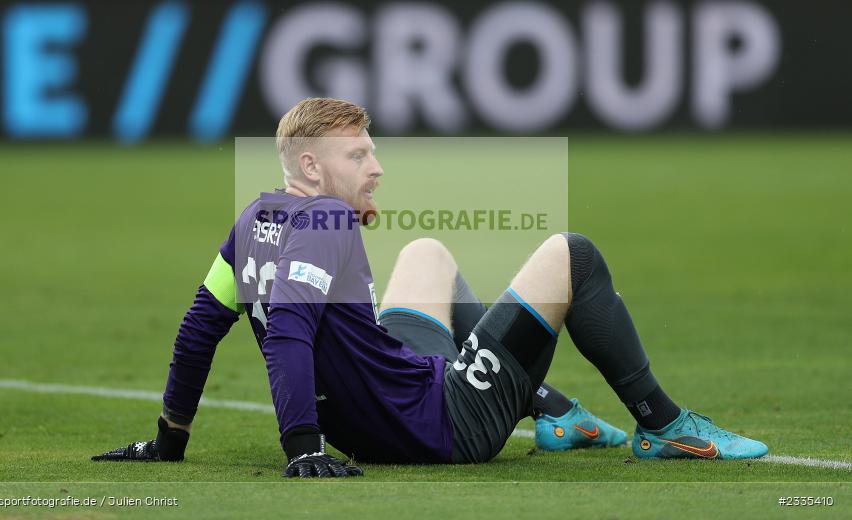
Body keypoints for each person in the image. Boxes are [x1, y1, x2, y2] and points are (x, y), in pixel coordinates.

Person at [92, 98, 767, 476]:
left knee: (426, 250)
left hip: (386, 405)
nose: (377, 167)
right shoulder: (327, 217)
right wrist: (302, 447)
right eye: (357, 155)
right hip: (441, 426)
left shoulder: (252, 222)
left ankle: (554, 411)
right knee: (575, 255)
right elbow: (291, 335)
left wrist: (170, 438)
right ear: (309, 164)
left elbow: (198, 328)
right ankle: (665, 427)